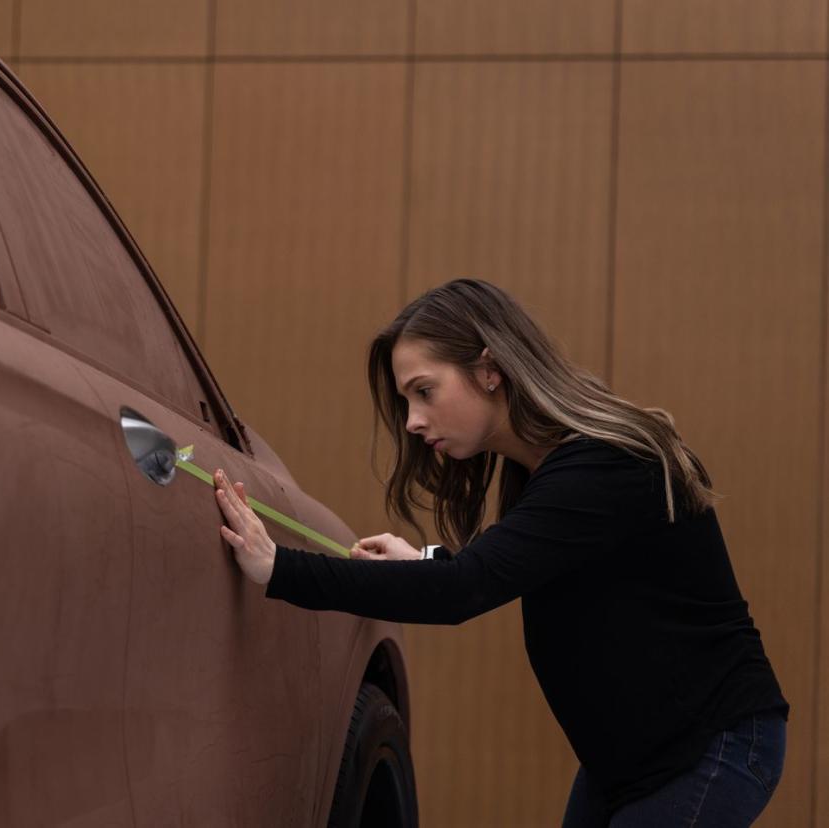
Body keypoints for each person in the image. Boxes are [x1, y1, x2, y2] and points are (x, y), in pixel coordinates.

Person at [212, 278, 788, 827]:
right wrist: (425, 564)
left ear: (489, 370)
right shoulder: (544, 471)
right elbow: (510, 565)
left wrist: (279, 568)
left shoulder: (599, 466)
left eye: (424, 391)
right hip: (634, 757)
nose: (412, 421)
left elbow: (468, 588)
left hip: (709, 747)